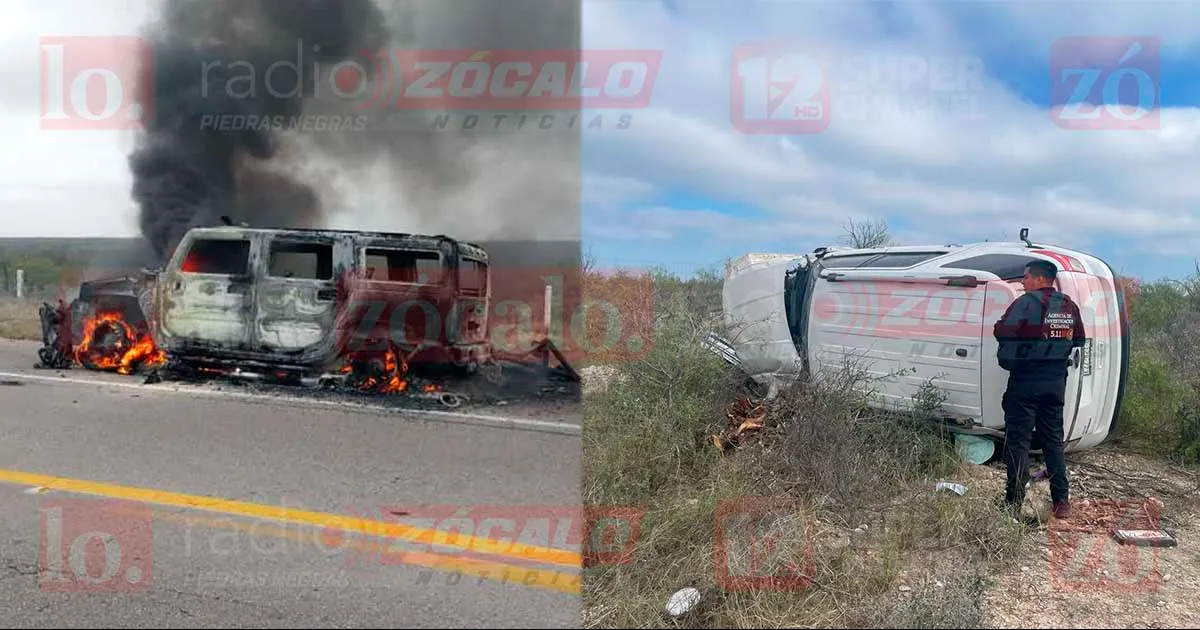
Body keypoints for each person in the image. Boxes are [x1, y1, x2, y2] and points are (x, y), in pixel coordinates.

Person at [992, 259, 1086, 520]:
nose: (1023, 282)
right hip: (1055, 384)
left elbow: (1001, 330)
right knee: (1052, 441)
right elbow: (1078, 339)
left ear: (1039, 279)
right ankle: (1061, 502)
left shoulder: (1026, 302)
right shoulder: (1068, 306)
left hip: (1025, 382)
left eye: (1025, 277)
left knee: (1018, 442)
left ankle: (1013, 502)